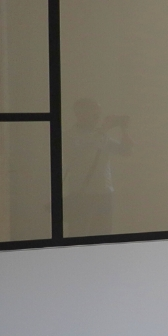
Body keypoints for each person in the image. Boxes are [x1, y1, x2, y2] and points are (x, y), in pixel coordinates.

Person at [63, 98, 130, 235]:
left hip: (104, 193)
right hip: (82, 194)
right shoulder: (70, 135)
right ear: (80, 114)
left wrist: (123, 129)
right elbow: (84, 152)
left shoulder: (101, 135)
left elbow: (125, 151)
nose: (97, 116)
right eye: (94, 113)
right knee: (79, 234)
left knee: (103, 234)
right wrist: (104, 129)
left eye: (98, 113)